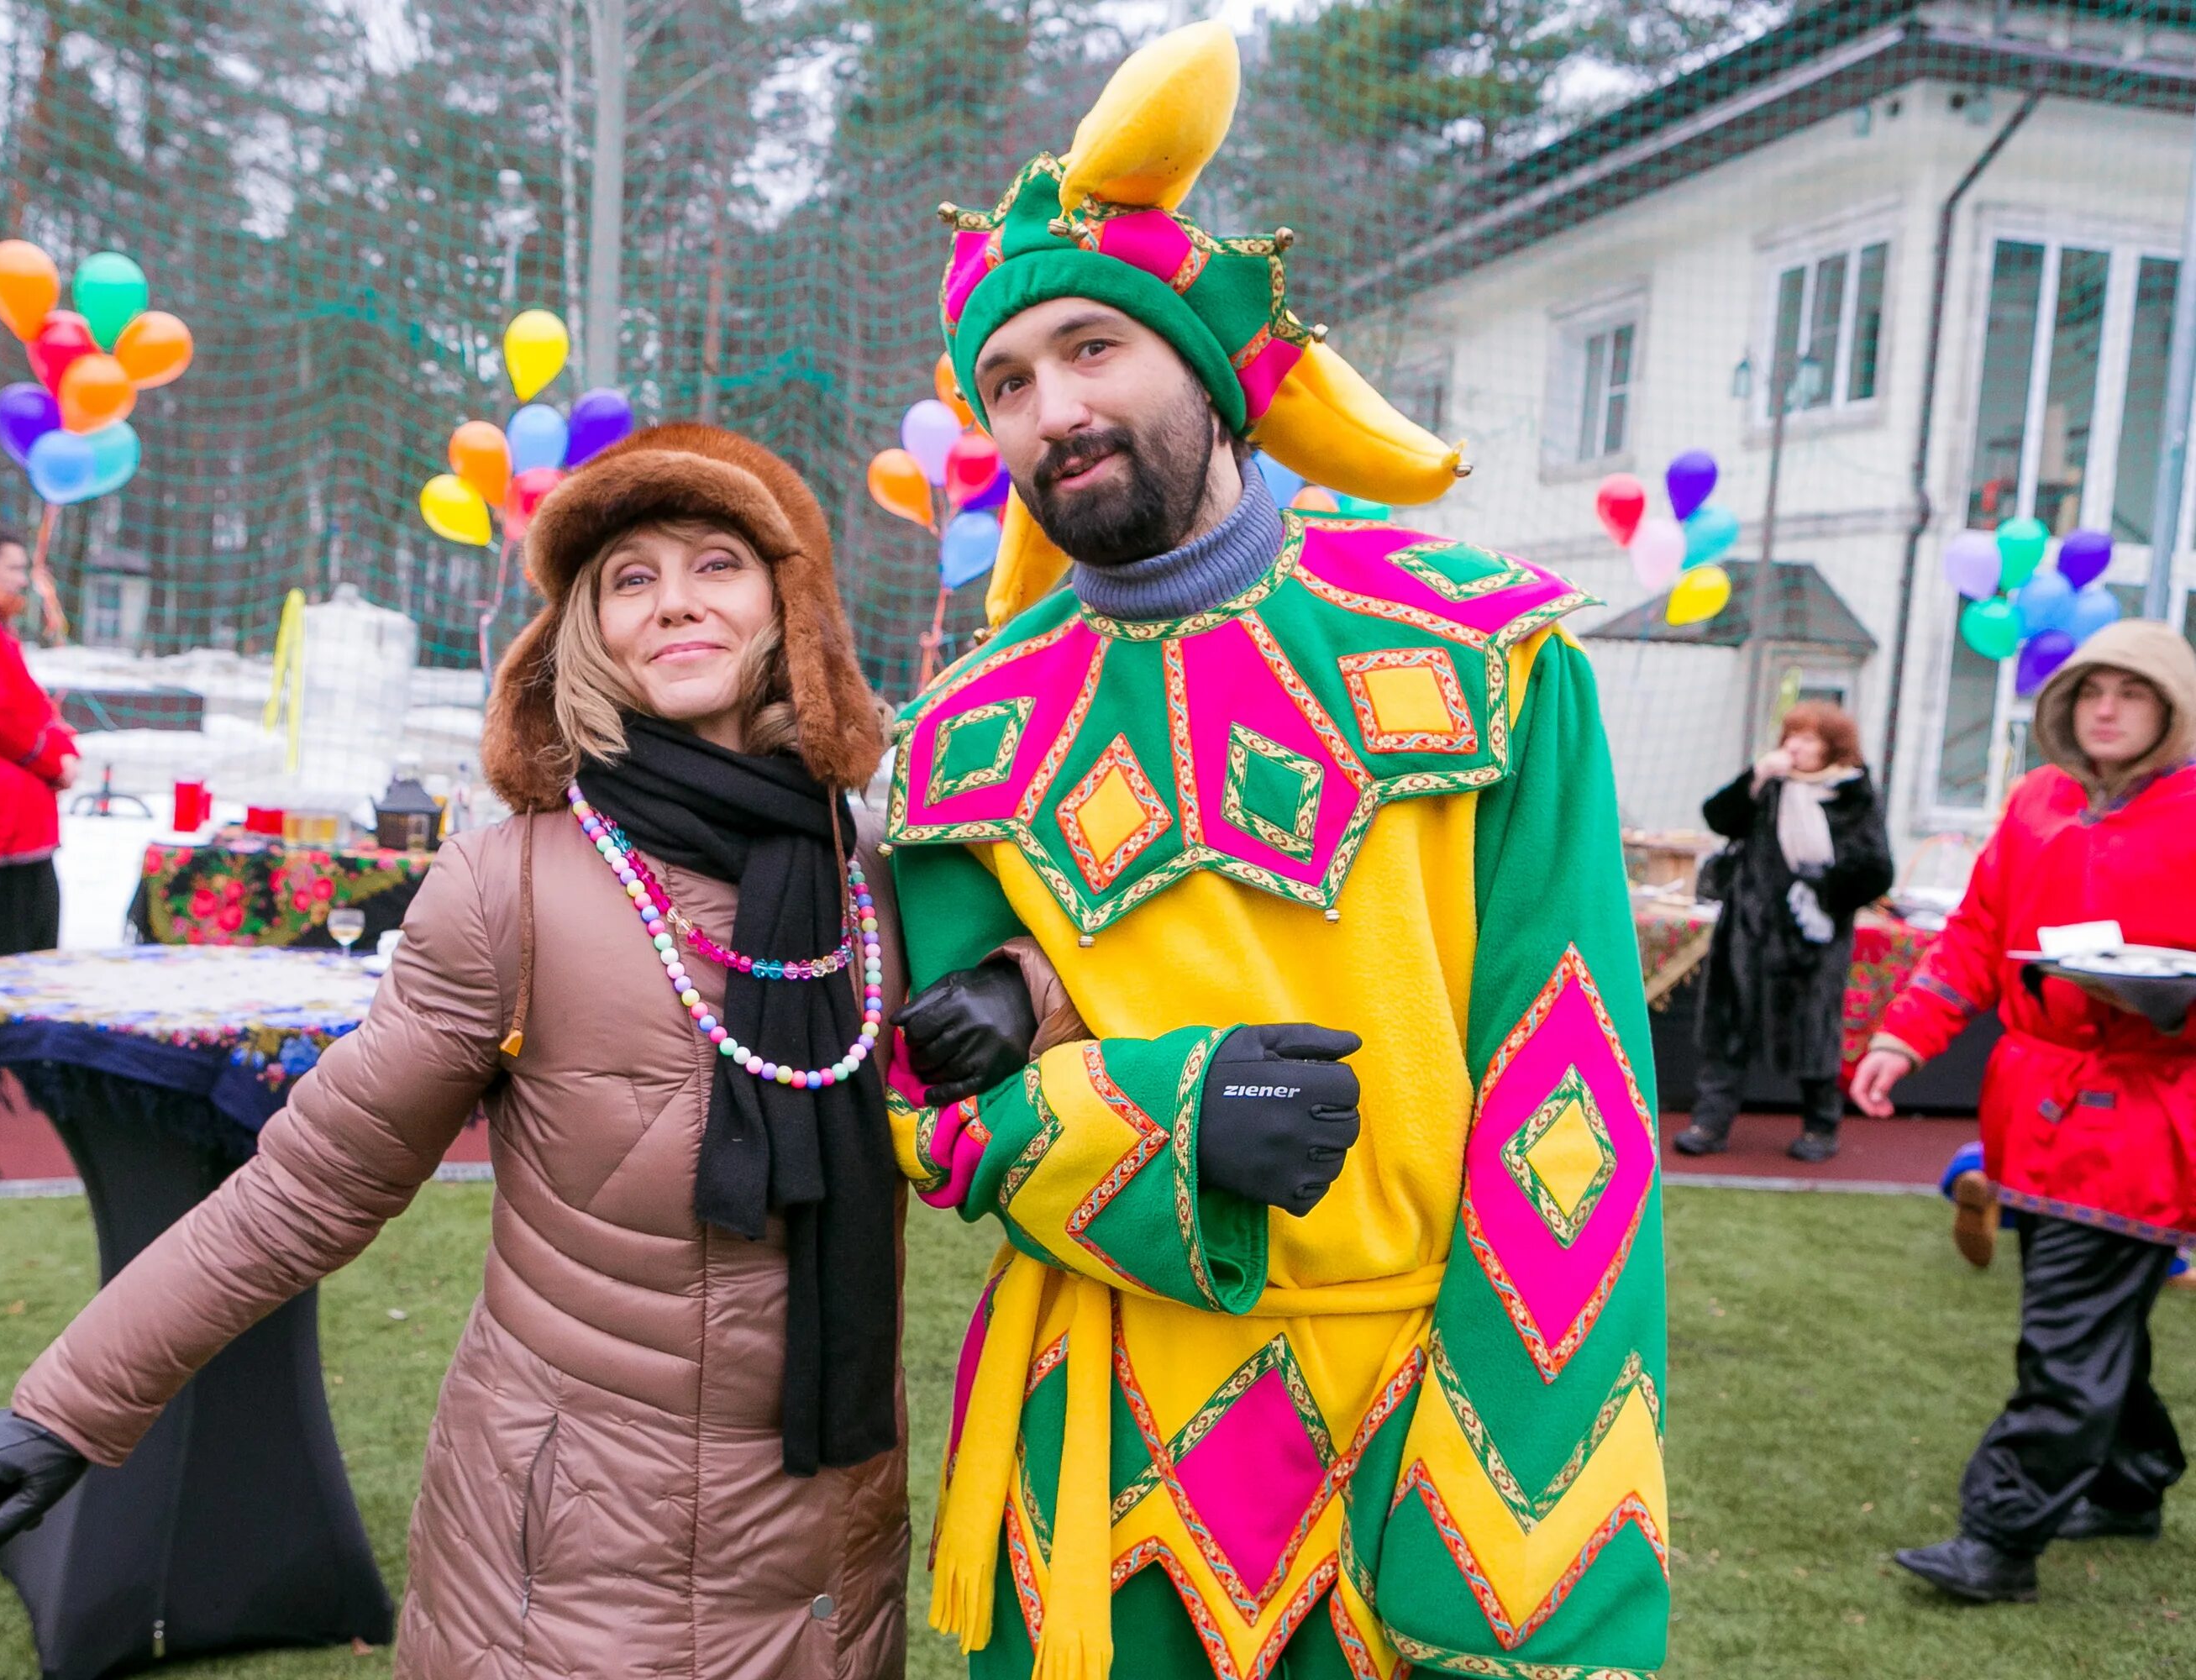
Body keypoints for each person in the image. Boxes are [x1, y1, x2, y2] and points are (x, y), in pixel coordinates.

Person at [878, 26, 1667, 1680]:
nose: (1050, 410)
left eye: (1091, 348)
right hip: (1086, 1454)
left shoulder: (1487, 656)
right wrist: (1155, 1116)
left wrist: (1518, 1556)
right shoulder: (965, 735)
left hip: (1402, 1412)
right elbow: (929, 1107)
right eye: (1006, 384)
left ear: (1210, 369)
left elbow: (1572, 1117)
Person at [0, 426, 911, 1676]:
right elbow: (315, 1182)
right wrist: (69, 1404)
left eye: (716, 564)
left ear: (787, 605)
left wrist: (1024, 991)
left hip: (831, 1542)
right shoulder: (510, 883)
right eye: (630, 577)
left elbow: (1030, 1048)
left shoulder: (875, 878)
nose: (675, 601)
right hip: (577, 1560)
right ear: (587, 632)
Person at [1853, 619, 2196, 1603]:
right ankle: (2131, 1483)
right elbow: (1977, 934)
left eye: (2131, 692)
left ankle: (1997, 1541)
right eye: (2092, 689)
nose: (2106, 708)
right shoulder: (2037, 801)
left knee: (2067, 1337)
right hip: (2034, 1112)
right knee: (2093, 1324)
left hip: (2143, 1119)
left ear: (2169, 708)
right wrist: (1900, 1036)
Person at [1672, 701, 1893, 1163]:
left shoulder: (1853, 795)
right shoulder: (1769, 786)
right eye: (1791, 735)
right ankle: (1709, 1123)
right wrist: (1754, 778)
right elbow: (1717, 817)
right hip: (1746, 933)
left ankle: (1820, 1127)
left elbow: (1876, 871)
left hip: (1813, 938)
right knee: (1728, 1030)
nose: (1795, 745)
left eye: (1809, 738)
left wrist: (1822, 887)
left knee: (1813, 1034)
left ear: (1833, 748)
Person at [0, 522, 80, 964]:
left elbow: (25, 702)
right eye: (14, 568)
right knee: (7, 939)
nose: (24, 579)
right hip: (2, 814)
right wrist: (52, 757)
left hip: (16, 814)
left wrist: (59, 741)